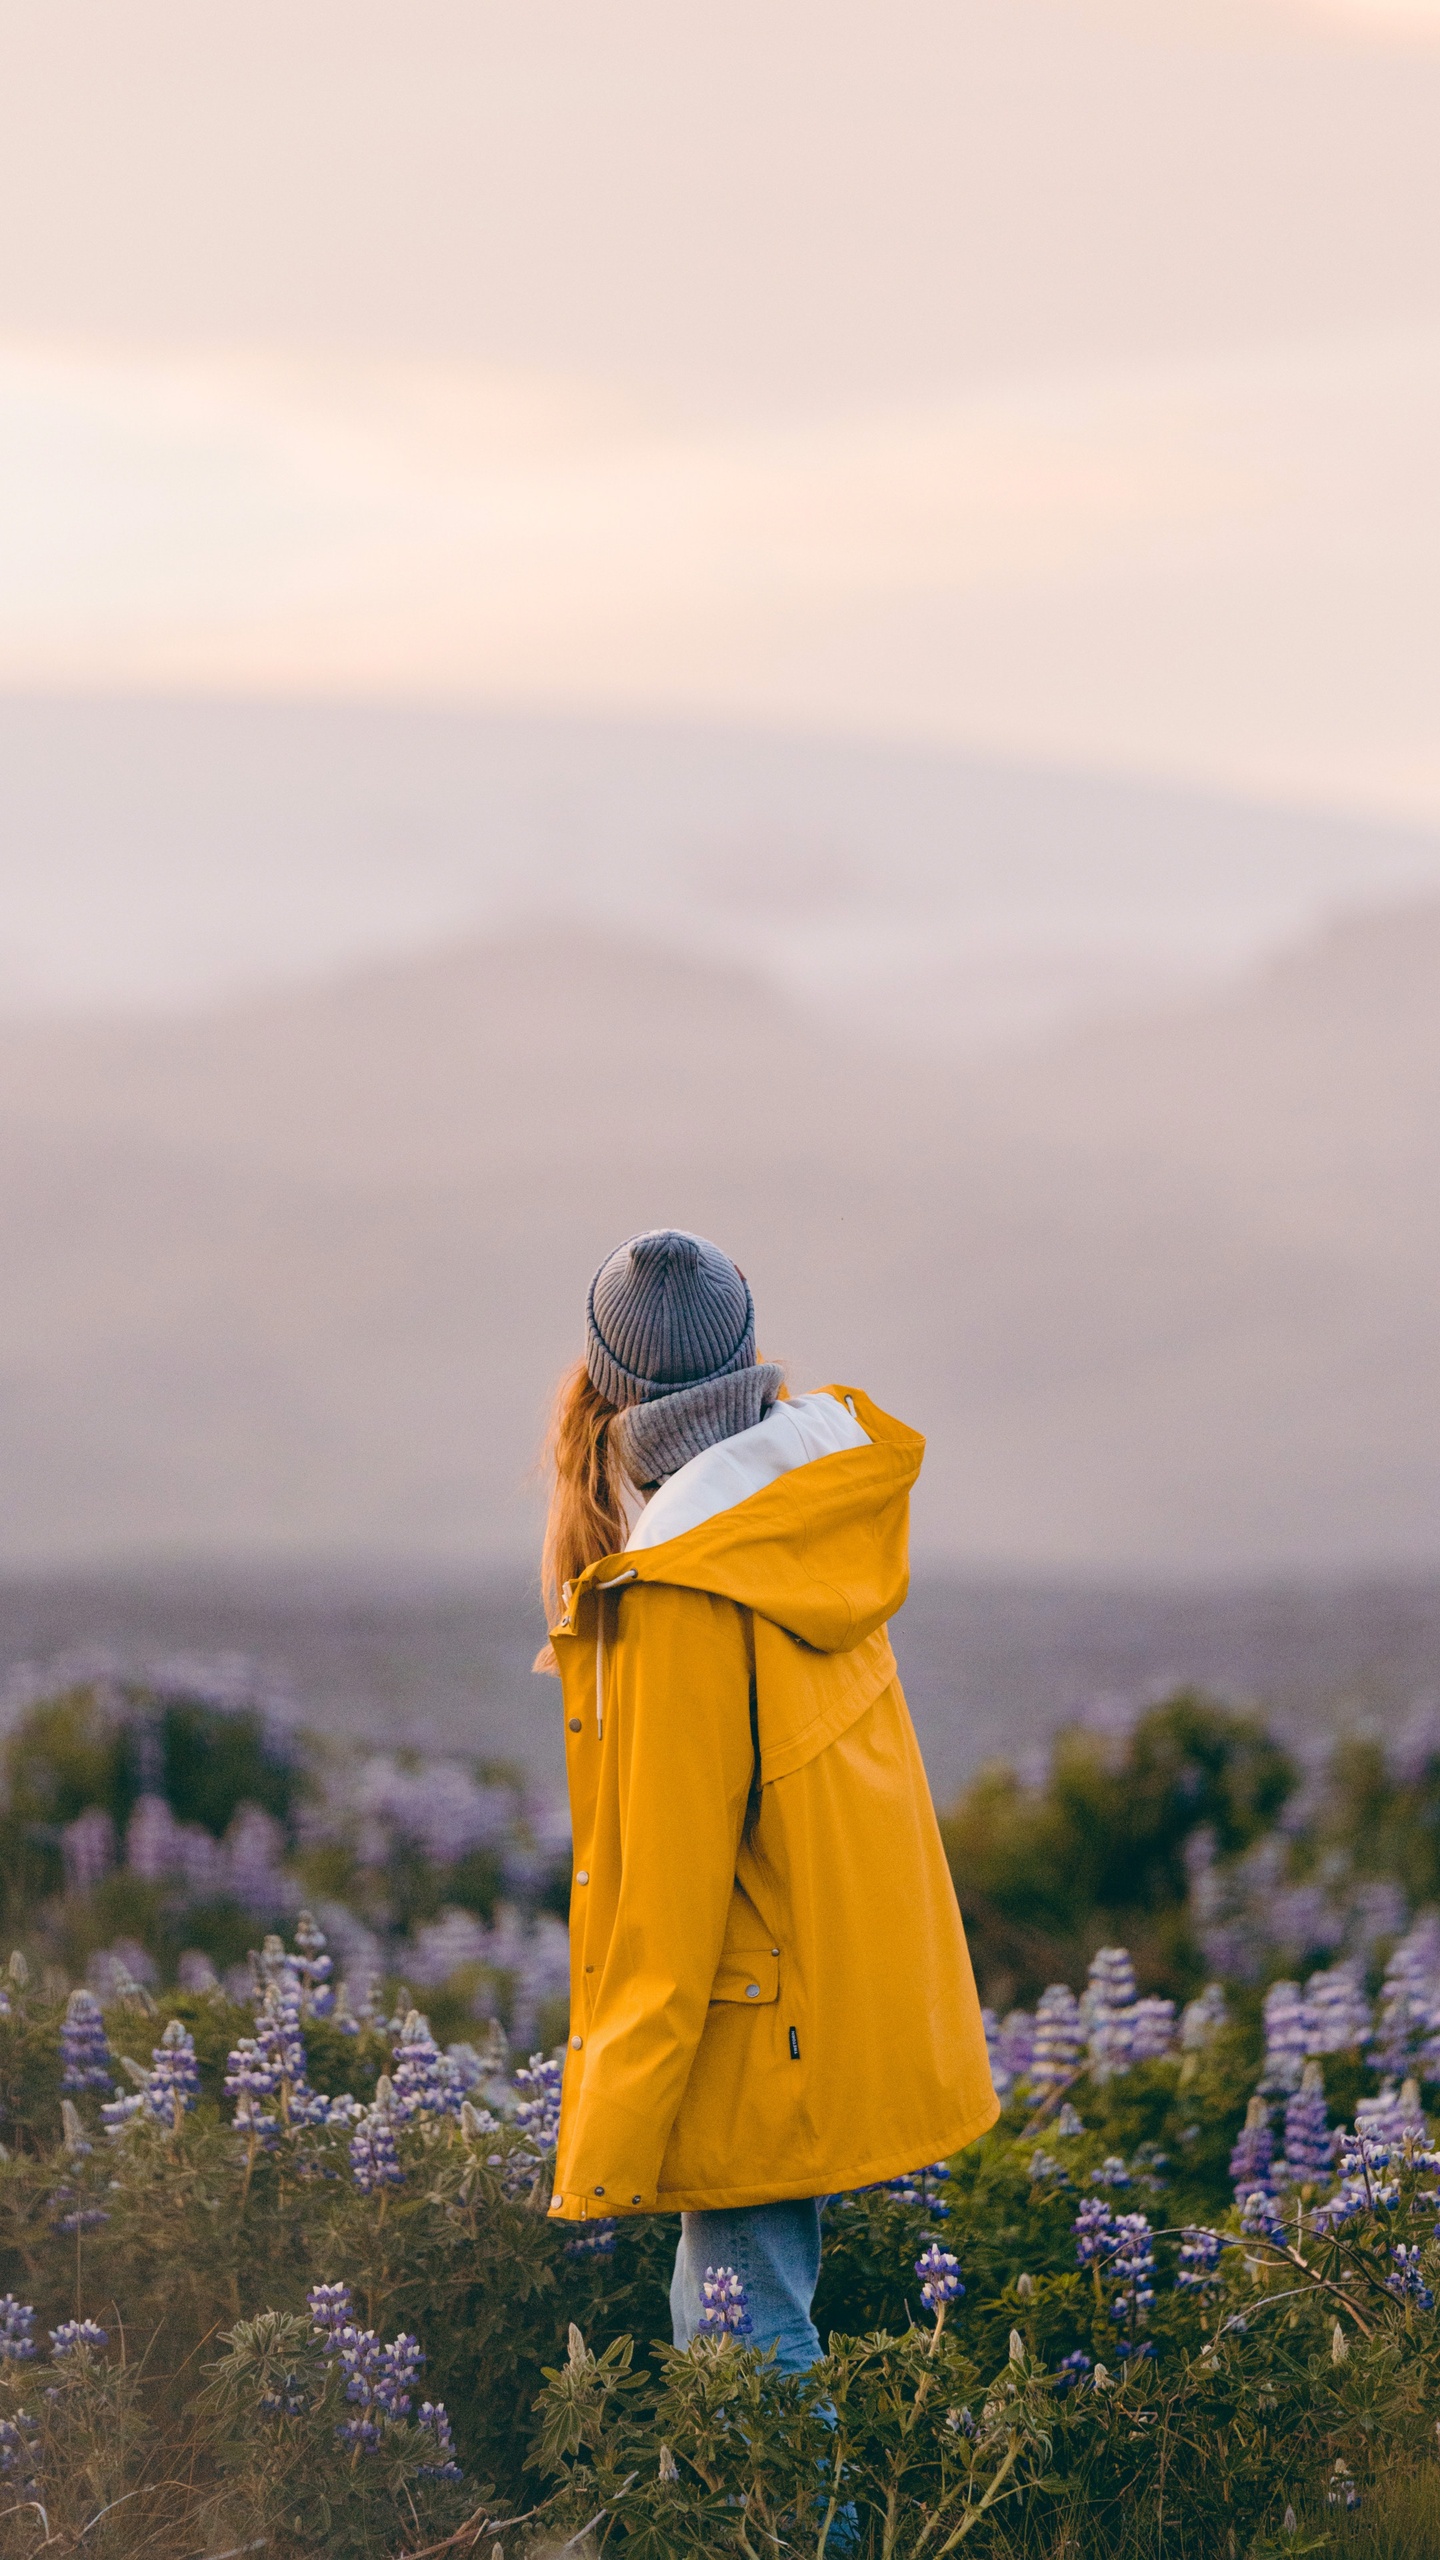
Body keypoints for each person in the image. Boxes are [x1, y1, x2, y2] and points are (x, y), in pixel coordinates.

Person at [537, 1227, 997, 2372]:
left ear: (606, 1387)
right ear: (746, 1356)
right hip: (833, 1989)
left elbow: (667, 1886)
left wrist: (608, 2133)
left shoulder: (684, 1584)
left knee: (740, 2343)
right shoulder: (807, 1507)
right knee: (748, 2315)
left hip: (750, 2014)